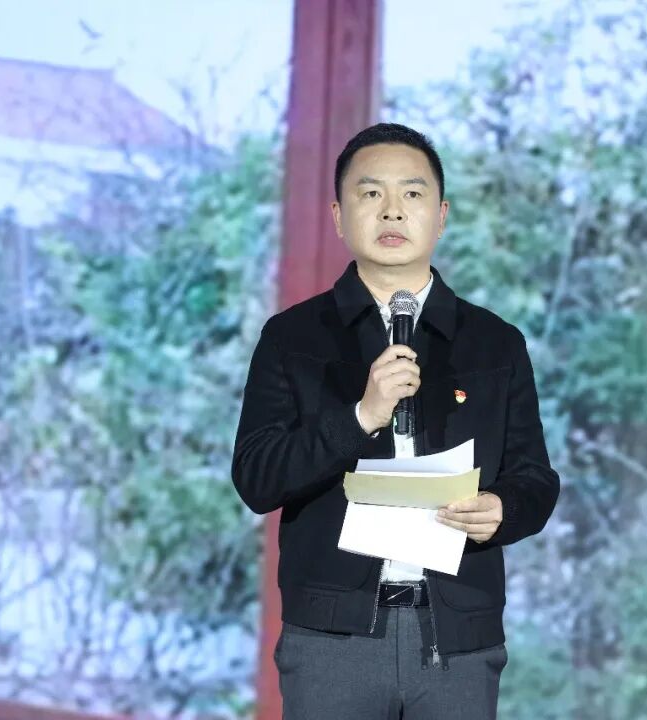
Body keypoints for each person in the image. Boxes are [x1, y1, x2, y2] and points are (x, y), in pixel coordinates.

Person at [231, 122, 559, 719]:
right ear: (338, 217)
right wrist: (361, 416)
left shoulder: (495, 343)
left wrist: (503, 510)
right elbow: (257, 478)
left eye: (411, 193)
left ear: (441, 216)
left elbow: (535, 479)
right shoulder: (292, 338)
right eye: (370, 193)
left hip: (457, 639)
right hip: (331, 640)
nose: (392, 210)